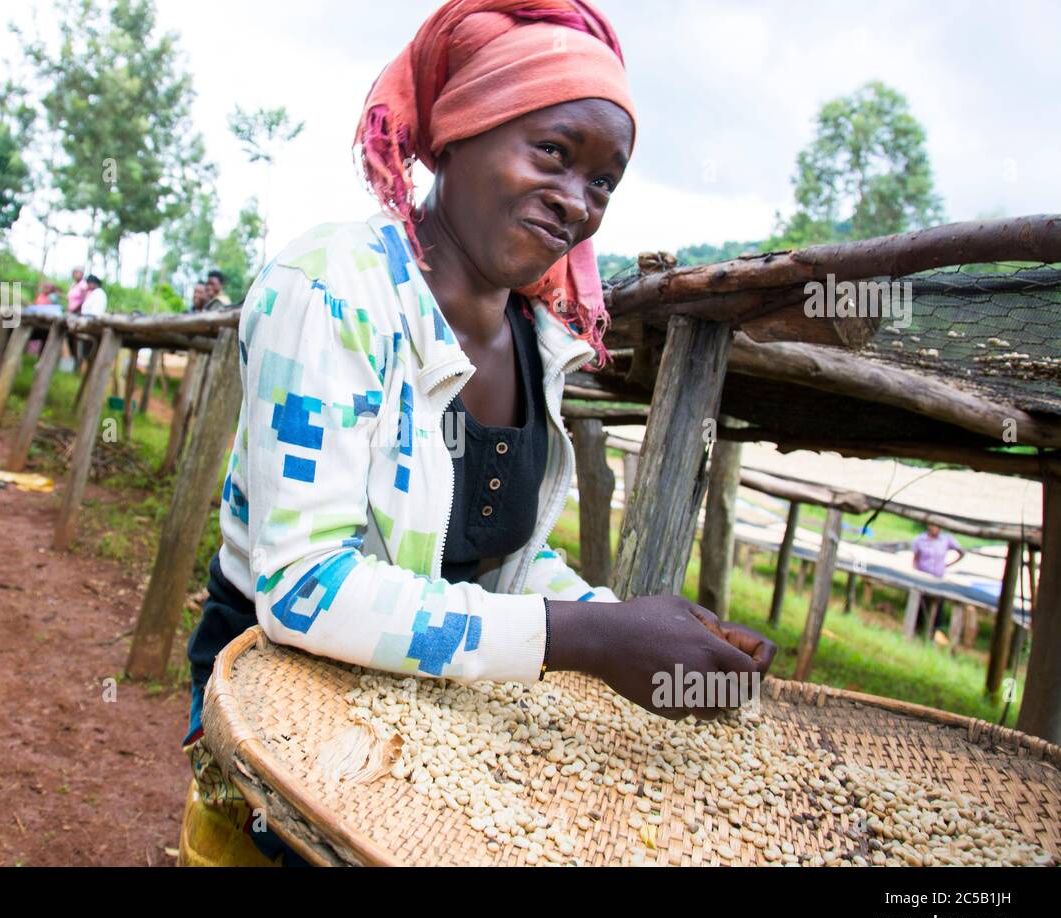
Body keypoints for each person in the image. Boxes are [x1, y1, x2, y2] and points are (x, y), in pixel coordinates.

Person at [178, 0, 776, 867]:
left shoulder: (539, 342)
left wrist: (638, 624)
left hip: (425, 688)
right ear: (461, 129)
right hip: (279, 675)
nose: (577, 202)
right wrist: (591, 641)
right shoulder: (331, 288)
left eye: (604, 181)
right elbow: (307, 587)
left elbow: (497, 562)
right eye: (554, 153)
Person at [912, 522, 965, 636]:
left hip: (938, 579)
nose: (934, 528)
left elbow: (961, 552)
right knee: (920, 604)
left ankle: (934, 632)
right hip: (923, 577)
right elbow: (915, 559)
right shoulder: (920, 539)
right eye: (932, 525)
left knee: (937, 606)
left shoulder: (946, 540)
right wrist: (915, 574)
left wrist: (947, 565)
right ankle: (917, 629)